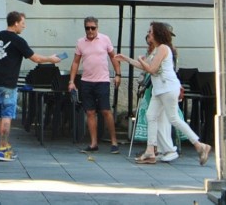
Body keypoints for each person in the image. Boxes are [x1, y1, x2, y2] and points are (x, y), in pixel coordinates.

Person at [116, 21, 212, 166]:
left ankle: (200, 145)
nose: (148, 34)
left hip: (167, 88)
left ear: (157, 33)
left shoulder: (163, 48)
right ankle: (150, 151)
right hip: (159, 90)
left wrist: (141, 61)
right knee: (151, 116)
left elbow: (151, 69)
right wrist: (127, 59)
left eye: (150, 31)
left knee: (174, 119)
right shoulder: (156, 49)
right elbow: (145, 65)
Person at [0, 11, 61, 161]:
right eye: (23, 23)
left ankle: (6, 146)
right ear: (15, 23)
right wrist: (51, 59)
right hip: (8, 84)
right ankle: (2, 149)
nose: (24, 26)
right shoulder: (17, 40)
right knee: (7, 116)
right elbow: (35, 59)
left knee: (1, 116)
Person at [67, 16, 121, 154]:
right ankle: (93, 143)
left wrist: (118, 74)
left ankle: (114, 141)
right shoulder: (80, 42)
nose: (90, 30)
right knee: (90, 112)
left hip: (102, 80)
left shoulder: (105, 39)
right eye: (87, 28)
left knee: (105, 111)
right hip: (86, 81)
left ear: (97, 27)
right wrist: (72, 81)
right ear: (84, 28)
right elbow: (75, 62)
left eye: (93, 28)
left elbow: (113, 57)